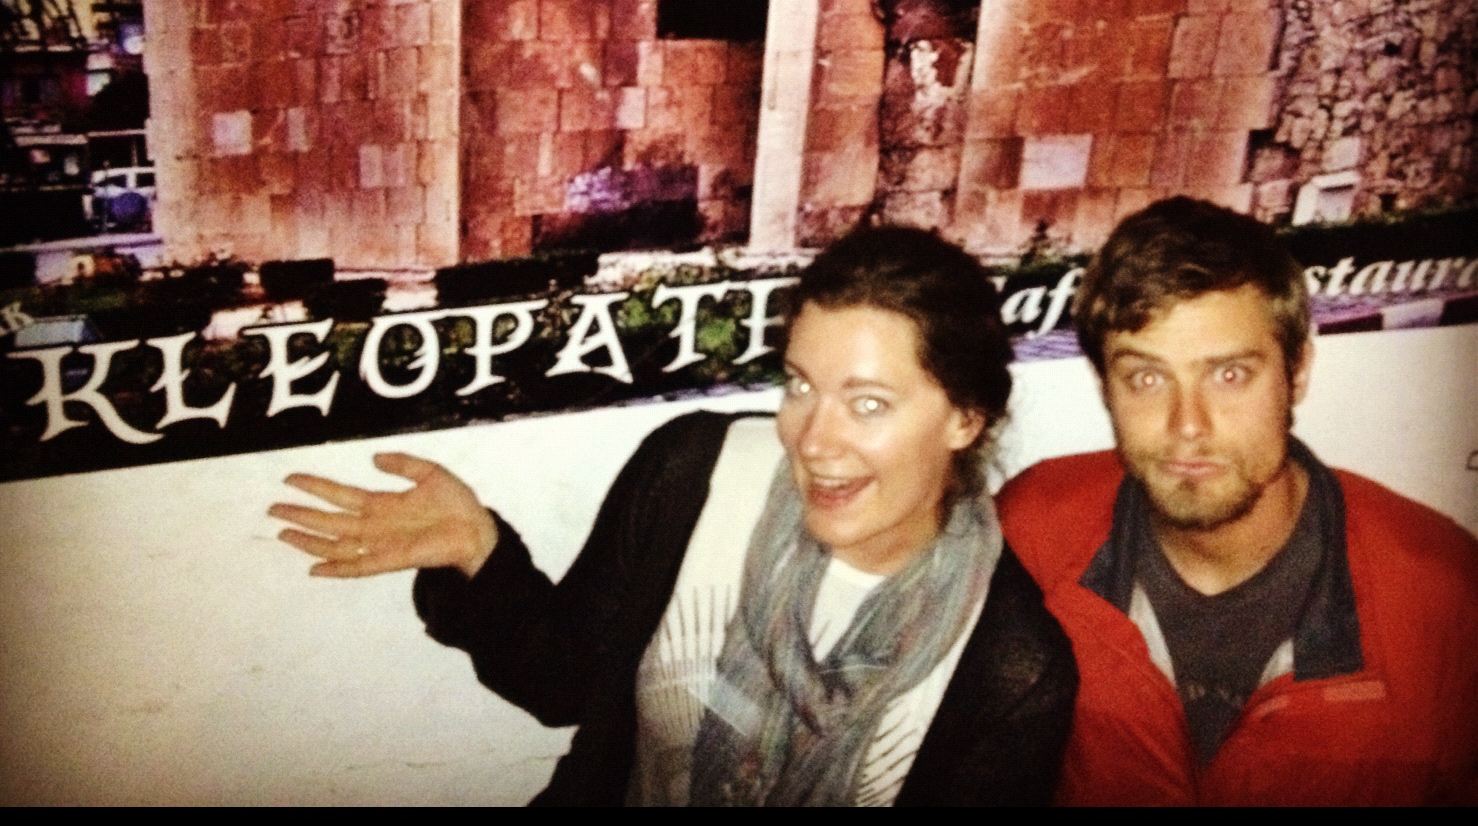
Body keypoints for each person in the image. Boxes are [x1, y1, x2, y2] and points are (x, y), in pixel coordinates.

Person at [271, 225, 1077, 806]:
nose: (812, 440)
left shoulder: (1012, 671)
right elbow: (566, 685)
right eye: (800, 385)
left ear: (964, 417)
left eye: (867, 402)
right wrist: (479, 554)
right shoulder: (694, 472)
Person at [997, 196, 1478, 807]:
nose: (1188, 425)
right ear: (1104, 386)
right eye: (1147, 377)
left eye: (1229, 375)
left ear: (1296, 372)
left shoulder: (1443, 596)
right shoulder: (1033, 530)